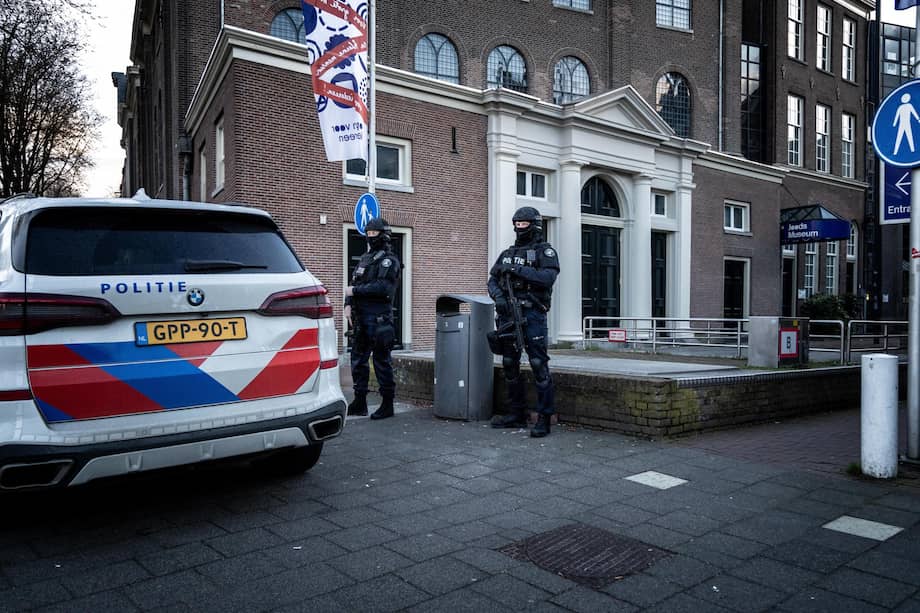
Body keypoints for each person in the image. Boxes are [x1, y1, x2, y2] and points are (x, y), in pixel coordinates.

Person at [487, 206, 559, 437]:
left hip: (532, 315)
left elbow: (547, 278)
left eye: (523, 224)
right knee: (509, 362)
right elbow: (493, 279)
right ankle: (516, 414)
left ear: (534, 225)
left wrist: (517, 270)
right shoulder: (507, 253)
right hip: (508, 315)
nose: (519, 228)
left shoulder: (544, 252)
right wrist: (498, 298)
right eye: (516, 224)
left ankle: (544, 418)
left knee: (538, 365)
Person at [345, 217, 401, 419]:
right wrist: (348, 305)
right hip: (361, 319)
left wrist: (354, 292)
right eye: (367, 234)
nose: (370, 237)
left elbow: (382, 289)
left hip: (379, 320)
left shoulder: (389, 261)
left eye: (373, 234)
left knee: (381, 362)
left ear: (383, 235)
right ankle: (360, 402)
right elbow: (353, 283)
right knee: (358, 361)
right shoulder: (365, 259)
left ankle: (387, 405)